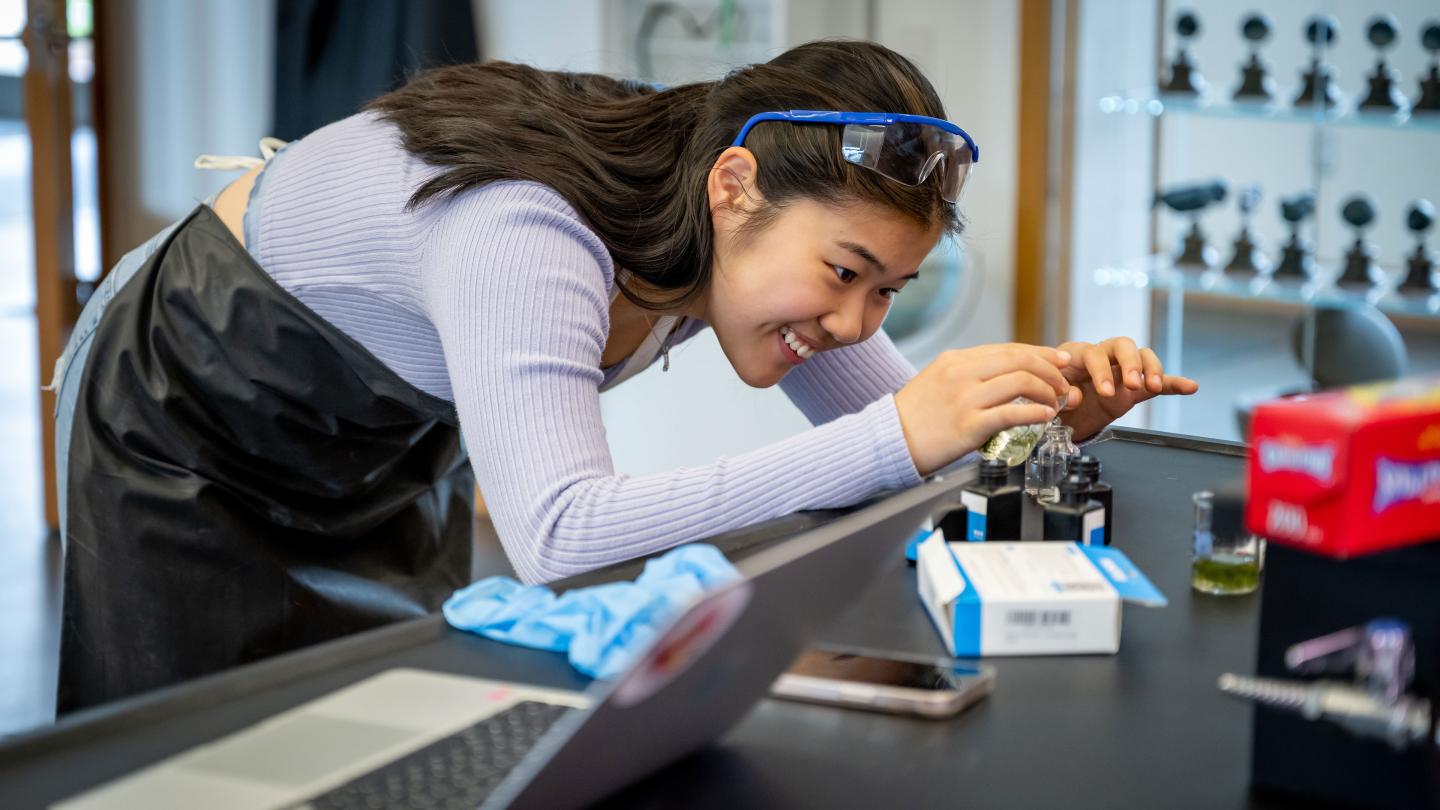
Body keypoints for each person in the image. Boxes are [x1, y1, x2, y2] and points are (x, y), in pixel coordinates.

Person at [50, 40, 1197, 712]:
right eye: (845, 271)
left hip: (381, 435)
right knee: (194, 754)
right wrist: (907, 431)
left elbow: (895, 444)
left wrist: (1038, 427)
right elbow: (562, 537)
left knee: (380, 722)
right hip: (193, 403)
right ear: (735, 186)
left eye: (887, 292)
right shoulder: (528, 233)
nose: (854, 322)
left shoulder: (723, 244)